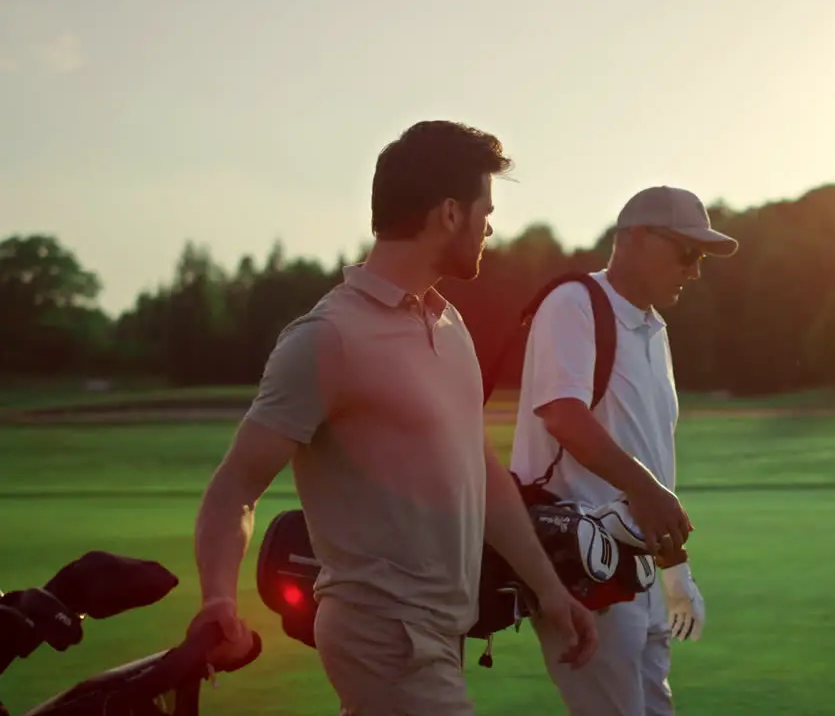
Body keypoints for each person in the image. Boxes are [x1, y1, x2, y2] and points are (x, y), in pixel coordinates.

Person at [186, 120, 598, 715]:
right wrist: (218, 598)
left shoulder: (450, 325)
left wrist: (549, 591)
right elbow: (236, 487)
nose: (489, 227)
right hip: (384, 638)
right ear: (450, 214)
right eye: (485, 210)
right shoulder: (328, 338)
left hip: (442, 632)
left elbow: (483, 474)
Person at [508, 185, 738, 714]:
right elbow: (563, 415)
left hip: (640, 575)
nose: (695, 270)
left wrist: (675, 571)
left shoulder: (655, 328)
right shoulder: (573, 303)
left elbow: (651, 469)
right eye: (687, 252)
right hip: (585, 568)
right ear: (634, 240)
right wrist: (646, 492)